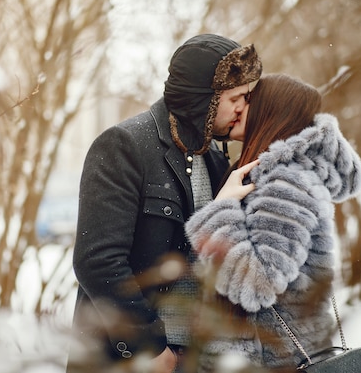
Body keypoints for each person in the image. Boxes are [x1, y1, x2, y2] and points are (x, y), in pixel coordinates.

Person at [67, 34, 262, 373]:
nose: (243, 107)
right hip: (131, 359)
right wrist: (149, 347)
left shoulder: (216, 159)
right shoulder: (125, 146)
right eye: (236, 97)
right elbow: (97, 260)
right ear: (206, 99)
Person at [185, 73, 361, 372]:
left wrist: (221, 210)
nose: (239, 109)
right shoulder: (273, 176)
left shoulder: (287, 182)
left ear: (270, 112)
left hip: (273, 360)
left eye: (248, 101)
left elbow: (258, 282)